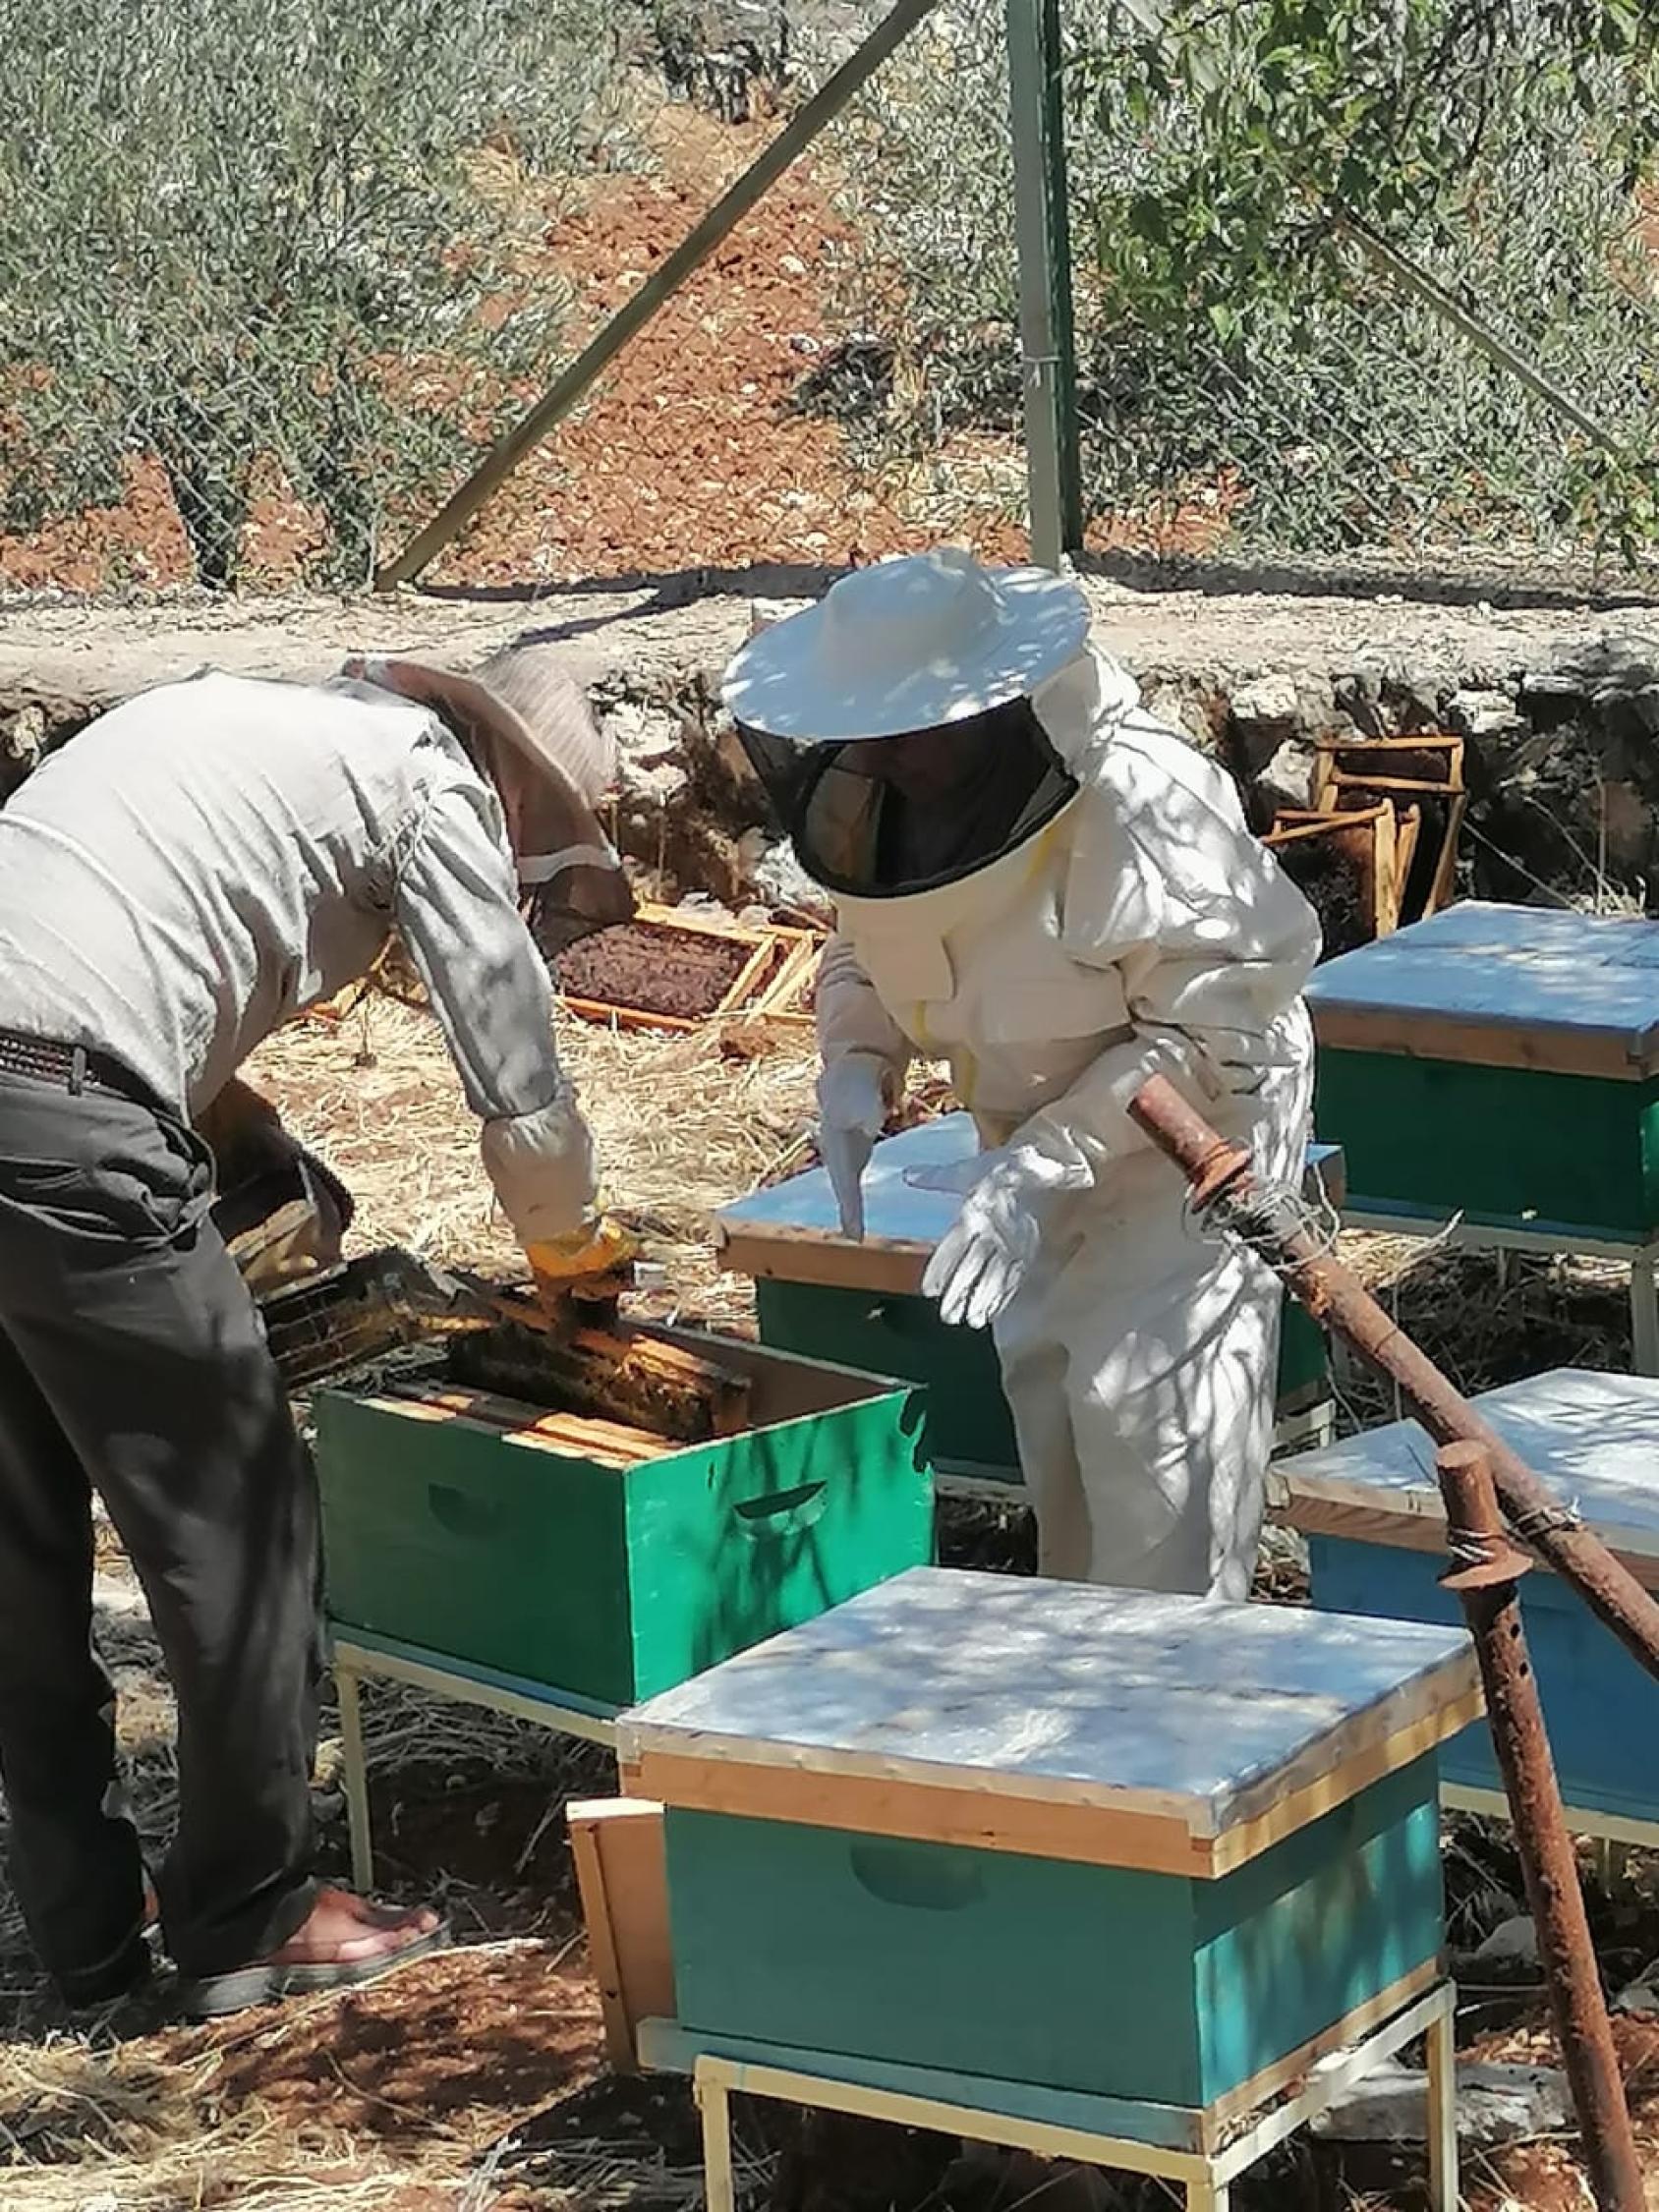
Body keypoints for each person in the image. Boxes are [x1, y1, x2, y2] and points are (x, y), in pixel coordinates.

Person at [0, 642, 632, 2018]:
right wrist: (571, 1248)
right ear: (523, 797)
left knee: (24, 1533)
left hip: (37, 1085)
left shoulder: (247, 722)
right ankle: (250, 1909)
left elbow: (111, 942)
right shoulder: (429, 783)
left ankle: (87, 1933)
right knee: (247, 1504)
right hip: (63, 1121)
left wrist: (246, 1131)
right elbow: (514, 1073)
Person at [725, 547, 1320, 1598]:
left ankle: (1175, 1710)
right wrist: (855, 1064)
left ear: (992, 705)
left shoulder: (1139, 808)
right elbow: (870, 936)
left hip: (1191, 1152)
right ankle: (1089, 1701)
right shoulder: (878, 792)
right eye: (871, 732)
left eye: (913, 732)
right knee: (1053, 1412)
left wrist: (1045, 1162)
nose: (889, 756)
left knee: (1153, 1439)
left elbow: (1207, 1036)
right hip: (1025, 1138)